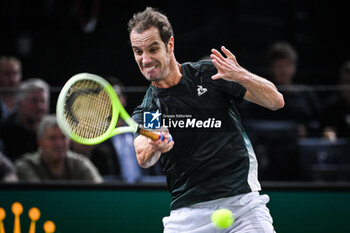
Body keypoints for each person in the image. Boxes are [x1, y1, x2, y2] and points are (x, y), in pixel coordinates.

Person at [128, 7, 284, 233]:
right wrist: (155, 143)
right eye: (138, 51)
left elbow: (276, 101)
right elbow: (144, 156)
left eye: (153, 49)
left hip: (242, 207)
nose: (145, 59)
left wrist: (241, 75)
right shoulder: (152, 108)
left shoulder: (210, 75)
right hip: (188, 217)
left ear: (170, 45)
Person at [89, 77, 164, 183]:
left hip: (146, 192)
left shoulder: (143, 130)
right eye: (106, 97)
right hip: (114, 193)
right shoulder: (96, 137)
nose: (113, 100)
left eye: (117, 95)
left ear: (124, 99)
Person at [15, 115, 102, 183]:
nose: (59, 144)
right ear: (40, 142)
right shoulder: (27, 166)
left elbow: (99, 191)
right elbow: (39, 196)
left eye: (63, 138)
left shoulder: (80, 163)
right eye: (52, 138)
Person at [0, 78, 50, 161]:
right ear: (19, 103)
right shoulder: (3, 131)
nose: (39, 106)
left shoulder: (53, 131)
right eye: (34, 101)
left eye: (43, 101)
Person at [321, 60, 350, 141]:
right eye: (347, 82)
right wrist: (330, 137)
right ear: (341, 82)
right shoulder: (331, 105)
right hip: (340, 150)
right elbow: (329, 131)